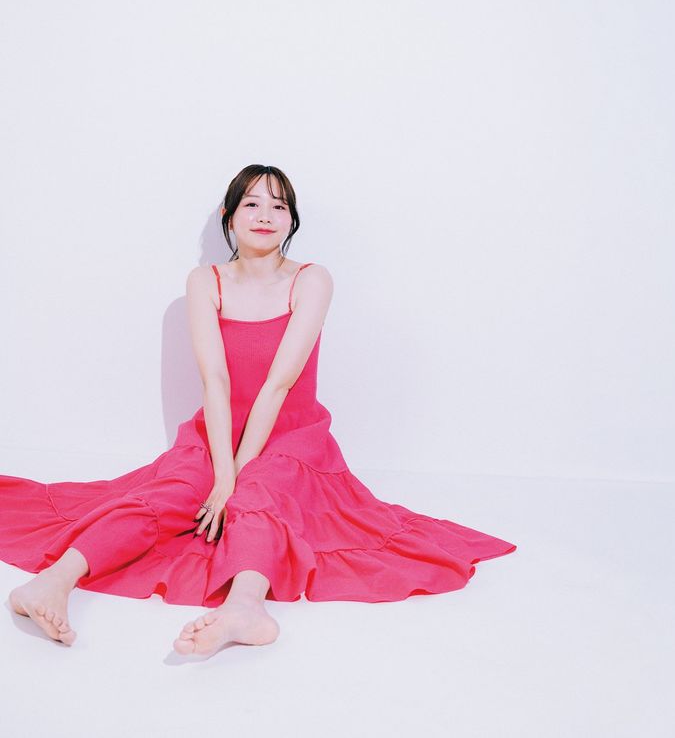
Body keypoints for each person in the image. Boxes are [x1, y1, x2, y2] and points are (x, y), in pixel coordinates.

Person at [0, 164, 517, 658]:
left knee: (258, 495)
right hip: (214, 430)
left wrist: (237, 479)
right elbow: (215, 381)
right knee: (171, 494)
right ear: (230, 217)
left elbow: (278, 385)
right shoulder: (206, 281)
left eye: (279, 206)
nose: (266, 215)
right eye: (252, 204)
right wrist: (220, 472)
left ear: (292, 221)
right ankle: (52, 582)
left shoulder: (311, 279)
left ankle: (245, 609)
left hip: (292, 435)